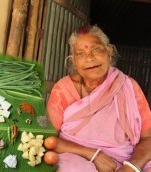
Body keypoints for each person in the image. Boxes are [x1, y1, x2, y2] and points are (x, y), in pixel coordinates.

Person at [47, 25, 151, 172]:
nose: (89, 58)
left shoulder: (128, 86)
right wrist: (94, 154)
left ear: (109, 52)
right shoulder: (63, 89)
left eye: (96, 49)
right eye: (80, 53)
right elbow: (48, 138)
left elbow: (148, 138)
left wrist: (132, 167)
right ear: (74, 61)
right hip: (76, 157)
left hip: (124, 161)